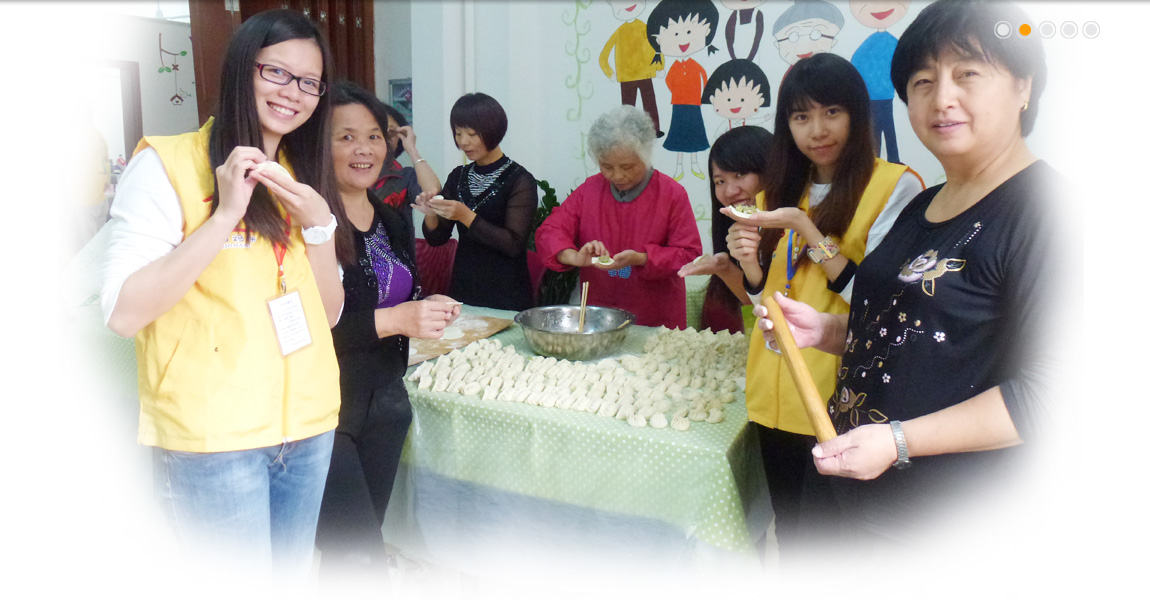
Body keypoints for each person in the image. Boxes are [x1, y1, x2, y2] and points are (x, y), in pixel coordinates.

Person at [754, 0, 1061, 561]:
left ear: (1024, 86)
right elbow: (906, 331)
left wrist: (899, 441)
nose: (942, 98)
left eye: (968, 73)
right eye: (922, 81)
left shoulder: (1049, 213)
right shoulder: (925, 206)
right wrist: (825, 330)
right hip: (848, 485)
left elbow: (1052, 395)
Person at [99, 9, 347, 579]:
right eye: (277, 72)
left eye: (310, 82)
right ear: (242, 69)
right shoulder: (166, 164)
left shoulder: (299, 173)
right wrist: (225, 215)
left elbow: (328, 313)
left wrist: (320, 227)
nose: (293, 93)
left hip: (308, 427)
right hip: (213, 438)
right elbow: (123, 312)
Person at [721, 52, 922, 565]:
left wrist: (807, 230)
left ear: (857, 114)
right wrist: (748, 267)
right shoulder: (776, 191)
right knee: (789, 537)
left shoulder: (894, 186)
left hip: (838, 400)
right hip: (771, 392)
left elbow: (880, 304)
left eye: (832, 111)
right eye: (801, 116)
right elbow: (766, 297)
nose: (817, 130)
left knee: (831, 550)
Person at [315, 81, 460, 585]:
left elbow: (399, 294)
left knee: (357, 547)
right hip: (324, 410)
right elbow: (302, 328)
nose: (364, 149)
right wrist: (398, 319)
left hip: (386, 403)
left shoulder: (392, 220)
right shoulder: (308, 223)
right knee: (357, 558)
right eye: (346, 137)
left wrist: (425, 307)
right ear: (318, 144)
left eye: (374, 136)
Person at [536, 105, 702, 329]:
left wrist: (642, 258)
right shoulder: (590, 190)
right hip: (600, 315)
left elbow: (689, 254)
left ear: (645, 156)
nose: (617, 175)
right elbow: (551, 231)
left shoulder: (672, 194)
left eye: (627, 167)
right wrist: (574, 257)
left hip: (655, 318)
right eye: (607, 166)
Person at [415, 92, 538, 311]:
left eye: (472, 134)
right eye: (458, 133)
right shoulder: (458, 176)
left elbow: (513, 245)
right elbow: (437, 239)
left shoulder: (520, 180)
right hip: (465, 288)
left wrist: (465, 216)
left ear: (494, 131)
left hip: (506, 293)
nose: (463, 142)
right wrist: (431, 214)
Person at [677, 125, 772, 334]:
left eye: (740, 174)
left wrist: (804, 226)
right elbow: (757, 303)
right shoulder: (740, 230)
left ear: (771, 167)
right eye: (720, 181)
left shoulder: (796, 222)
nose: (730, 191)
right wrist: (725, 269)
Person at [646, 0, 719, 181]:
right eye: (676, 33)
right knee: (678, 135)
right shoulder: (675, 67)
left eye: (688, 32)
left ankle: (695, 164)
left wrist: (701, 95)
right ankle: (679, 167)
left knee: (694, 135)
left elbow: (705, 80)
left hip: (694, 104)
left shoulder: (696, 65)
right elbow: (669, 82)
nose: (682, 39)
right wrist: (677, 93)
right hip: (678, 105)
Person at [371, 100, 442, 241]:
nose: (384, 138)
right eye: (375, 133)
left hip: (396, 253)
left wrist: (412, 150)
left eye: (390, 132)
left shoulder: (404, 176)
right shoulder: (345, 172)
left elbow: (433, 192)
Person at [599, 0, 664, 137]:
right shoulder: (619, 32)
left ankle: (655, 129)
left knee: (649, 104)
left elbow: (657, 46)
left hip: (645, 74)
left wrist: (660, 66)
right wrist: (610, 73)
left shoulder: (645, 28)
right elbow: (603, 55)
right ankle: (627, 133)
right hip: (626, 77)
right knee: (628, 108)